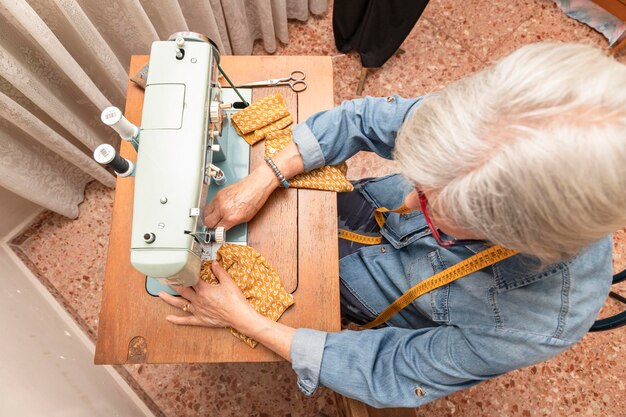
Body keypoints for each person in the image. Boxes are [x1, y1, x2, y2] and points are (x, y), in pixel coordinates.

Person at [157, 42, 626, 408]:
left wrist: (245, 321)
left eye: (437, 218)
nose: (405, 199)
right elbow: (361, 119)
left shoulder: (537, 323)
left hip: (368, 296)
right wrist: (266, 175)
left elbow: (390, 371)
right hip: (362, 220)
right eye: (419, 180)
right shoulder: (494, 120)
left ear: (515, 240)